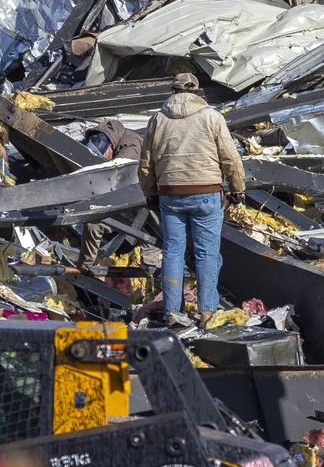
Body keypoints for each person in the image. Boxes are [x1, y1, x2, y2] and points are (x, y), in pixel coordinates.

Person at [138, 72, 245, 327]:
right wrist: (238, 190)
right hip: (206, 193)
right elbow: (230, 158)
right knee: (207, 253)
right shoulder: (212, 117)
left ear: (172, 92)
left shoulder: (158, 119)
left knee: (173, 252)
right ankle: (206, 311)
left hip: (170, 194)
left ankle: (172, 312)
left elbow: (145, 164)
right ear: (197, 92)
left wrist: (150, 192)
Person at [79, 118, 143, 264]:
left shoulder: (131, 147)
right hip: (119, 199)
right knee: (91, 221)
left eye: (103, 155)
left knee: (94, 222)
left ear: (109, 147)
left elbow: (121, 181)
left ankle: (86, 266)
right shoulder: (101, 137)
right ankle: (86, 265)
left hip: (134, 205)